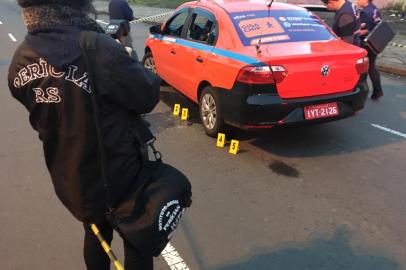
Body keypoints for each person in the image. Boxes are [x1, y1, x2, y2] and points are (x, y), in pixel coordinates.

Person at [8, 0, 160, 269]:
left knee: (95, 235)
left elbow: (36, 107)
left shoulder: (20, 60)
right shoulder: (97, 46)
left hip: (71, 175)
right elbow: (146, 95)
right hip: (121, 173)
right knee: (137, 240)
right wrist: (126, 53)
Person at [356, 0, 384, 100]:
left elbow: (362, 30)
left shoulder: (365, 12)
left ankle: (360, 93)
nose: (356, 1)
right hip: (375, 43)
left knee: (362, 69)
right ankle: (377, 91)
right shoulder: (375, 10)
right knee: (371, 67)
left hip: (365, 44)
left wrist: (355, 32)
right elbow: (378, 26)